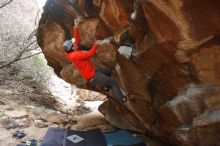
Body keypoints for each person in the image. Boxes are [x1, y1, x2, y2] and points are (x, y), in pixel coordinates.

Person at [63, 18, 129, 103]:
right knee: (114, 82)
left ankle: (106, 86)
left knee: (109, 71)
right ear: (72, 48)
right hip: (94, 76)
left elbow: (77, 40)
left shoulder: (72, 52)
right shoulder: (76, 55)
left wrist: (75, 27)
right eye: (73, 44)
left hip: (93, 73)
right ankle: (123, 99)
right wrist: (96, 44)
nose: (75, 44)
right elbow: (90, 54)